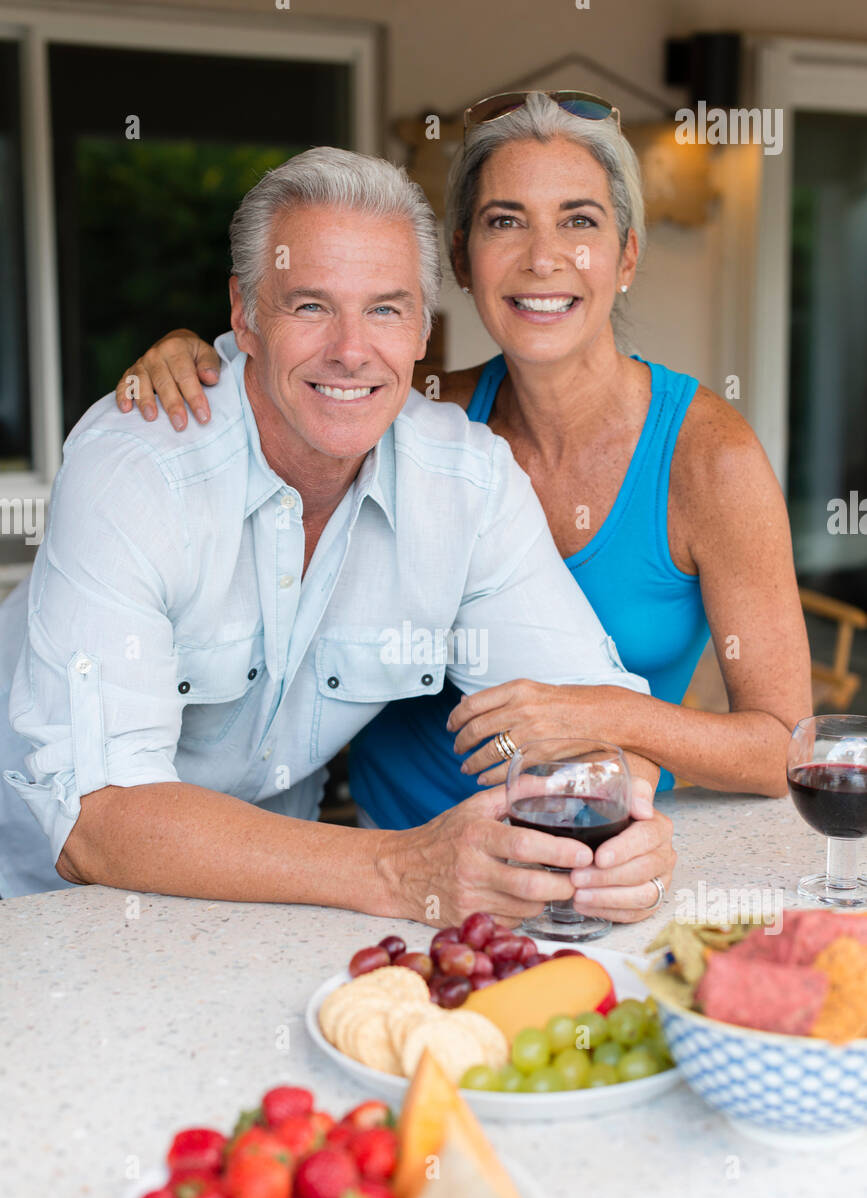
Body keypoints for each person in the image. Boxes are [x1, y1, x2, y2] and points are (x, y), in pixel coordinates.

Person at [124, 93, 811, 922]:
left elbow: (784, 748)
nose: (541, 258)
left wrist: (595, 709)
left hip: (583, 861)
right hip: (371, 868)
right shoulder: (414, 418)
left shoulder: (709, 458)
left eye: (579, 222)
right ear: (458, 258)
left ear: (626, 255)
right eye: (503, 222)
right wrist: (199, 358)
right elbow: (295, 372)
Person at [0, 146, 673, 924]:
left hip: (265, 901)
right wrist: (400, 869)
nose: (351, 350)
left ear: (423, 325)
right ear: (245, 316)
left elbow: (587, 718)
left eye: (385, 308)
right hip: (38, 911)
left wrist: (621, 818)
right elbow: (96, 820)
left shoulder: (468, 484)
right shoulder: (137, 470)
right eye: (310, 306)